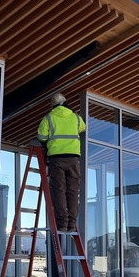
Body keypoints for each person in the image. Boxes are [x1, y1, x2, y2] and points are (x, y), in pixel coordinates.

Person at [37, 92, 86, 232]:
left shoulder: (48, 118)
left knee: (59, 190)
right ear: (65, 102)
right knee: (73, 190)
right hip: (73, 158)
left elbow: (41, 136)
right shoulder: (75, 117)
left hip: (56, 158)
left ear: (52, 105)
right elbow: (83, 127)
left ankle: (62, 223)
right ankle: (72, 223)